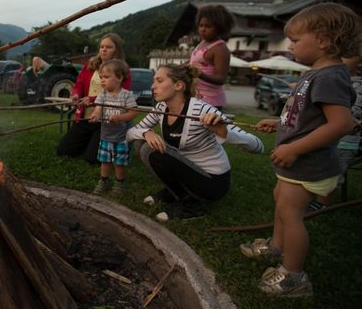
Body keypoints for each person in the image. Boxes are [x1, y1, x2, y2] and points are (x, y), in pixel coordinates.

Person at [240, 2, 361, 297]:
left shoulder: (330, 76)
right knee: (281, 200)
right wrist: (278, 121)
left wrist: (295, 148)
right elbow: (307, 116)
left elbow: (341, 123)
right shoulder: (315, 73)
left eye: (295, 40)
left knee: (291, 213)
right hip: (298, 164)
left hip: (309, 163)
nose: (290, 46)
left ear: (322, 39)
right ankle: (276, 247)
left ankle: (293, 276)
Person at [127, 63, 264, 220]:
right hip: (188, 170)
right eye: (154, 81)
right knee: (141, 143)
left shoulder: (202, 110)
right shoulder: (160, 108)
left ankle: (191, 207)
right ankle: (175, 192)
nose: (153, 86)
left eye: (159, 81)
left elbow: (258, 146)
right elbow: (130, 133)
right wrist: (146, 132)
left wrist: (224, 132)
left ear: (178, 85)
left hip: (212, 183)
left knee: (149, 151)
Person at [56, 33, 131, 164]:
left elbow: (119, 95)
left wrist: (91, 99)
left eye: (109, 47)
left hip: (106, 121)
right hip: (85, 117)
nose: (104, 49)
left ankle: (98, 144)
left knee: (92, 159)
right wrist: (76, 94)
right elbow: (79, 85)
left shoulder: (124, 70)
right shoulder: (91, 64)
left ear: (117, 50)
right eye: (101, 46)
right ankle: (90, 141)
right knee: (63, 150)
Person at [307, 54, 362, 211]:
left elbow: (353, 114)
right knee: (323, 163)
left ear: (360, 64)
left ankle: (322, 203)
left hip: (348, 139)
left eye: (344, 57)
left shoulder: (354, 84)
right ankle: (314, 195)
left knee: (338, 167)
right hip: (327, 134)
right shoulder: (326, 77)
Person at [88, 59, 138, 197]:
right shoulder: (102, 95)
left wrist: (120, 118)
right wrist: (95, 115)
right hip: (106, 137)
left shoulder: (126, 95)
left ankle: (119, 182)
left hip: (121, 138)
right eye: (101, 77)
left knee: (119, 163)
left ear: (119, 77)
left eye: (106, 77)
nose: (102, 80)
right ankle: (103, 181)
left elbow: (134, 112)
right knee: (105, 161)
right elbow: (98, 109)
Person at [189, 5, 234, 110]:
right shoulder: (202, 43)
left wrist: (199, 74)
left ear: (219, 28)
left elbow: (221, 79)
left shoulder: (220, 49)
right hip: (195, 97)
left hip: (211, 102)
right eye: (201, 25)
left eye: (208, 26)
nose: (203, 29)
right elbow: (195, 62)